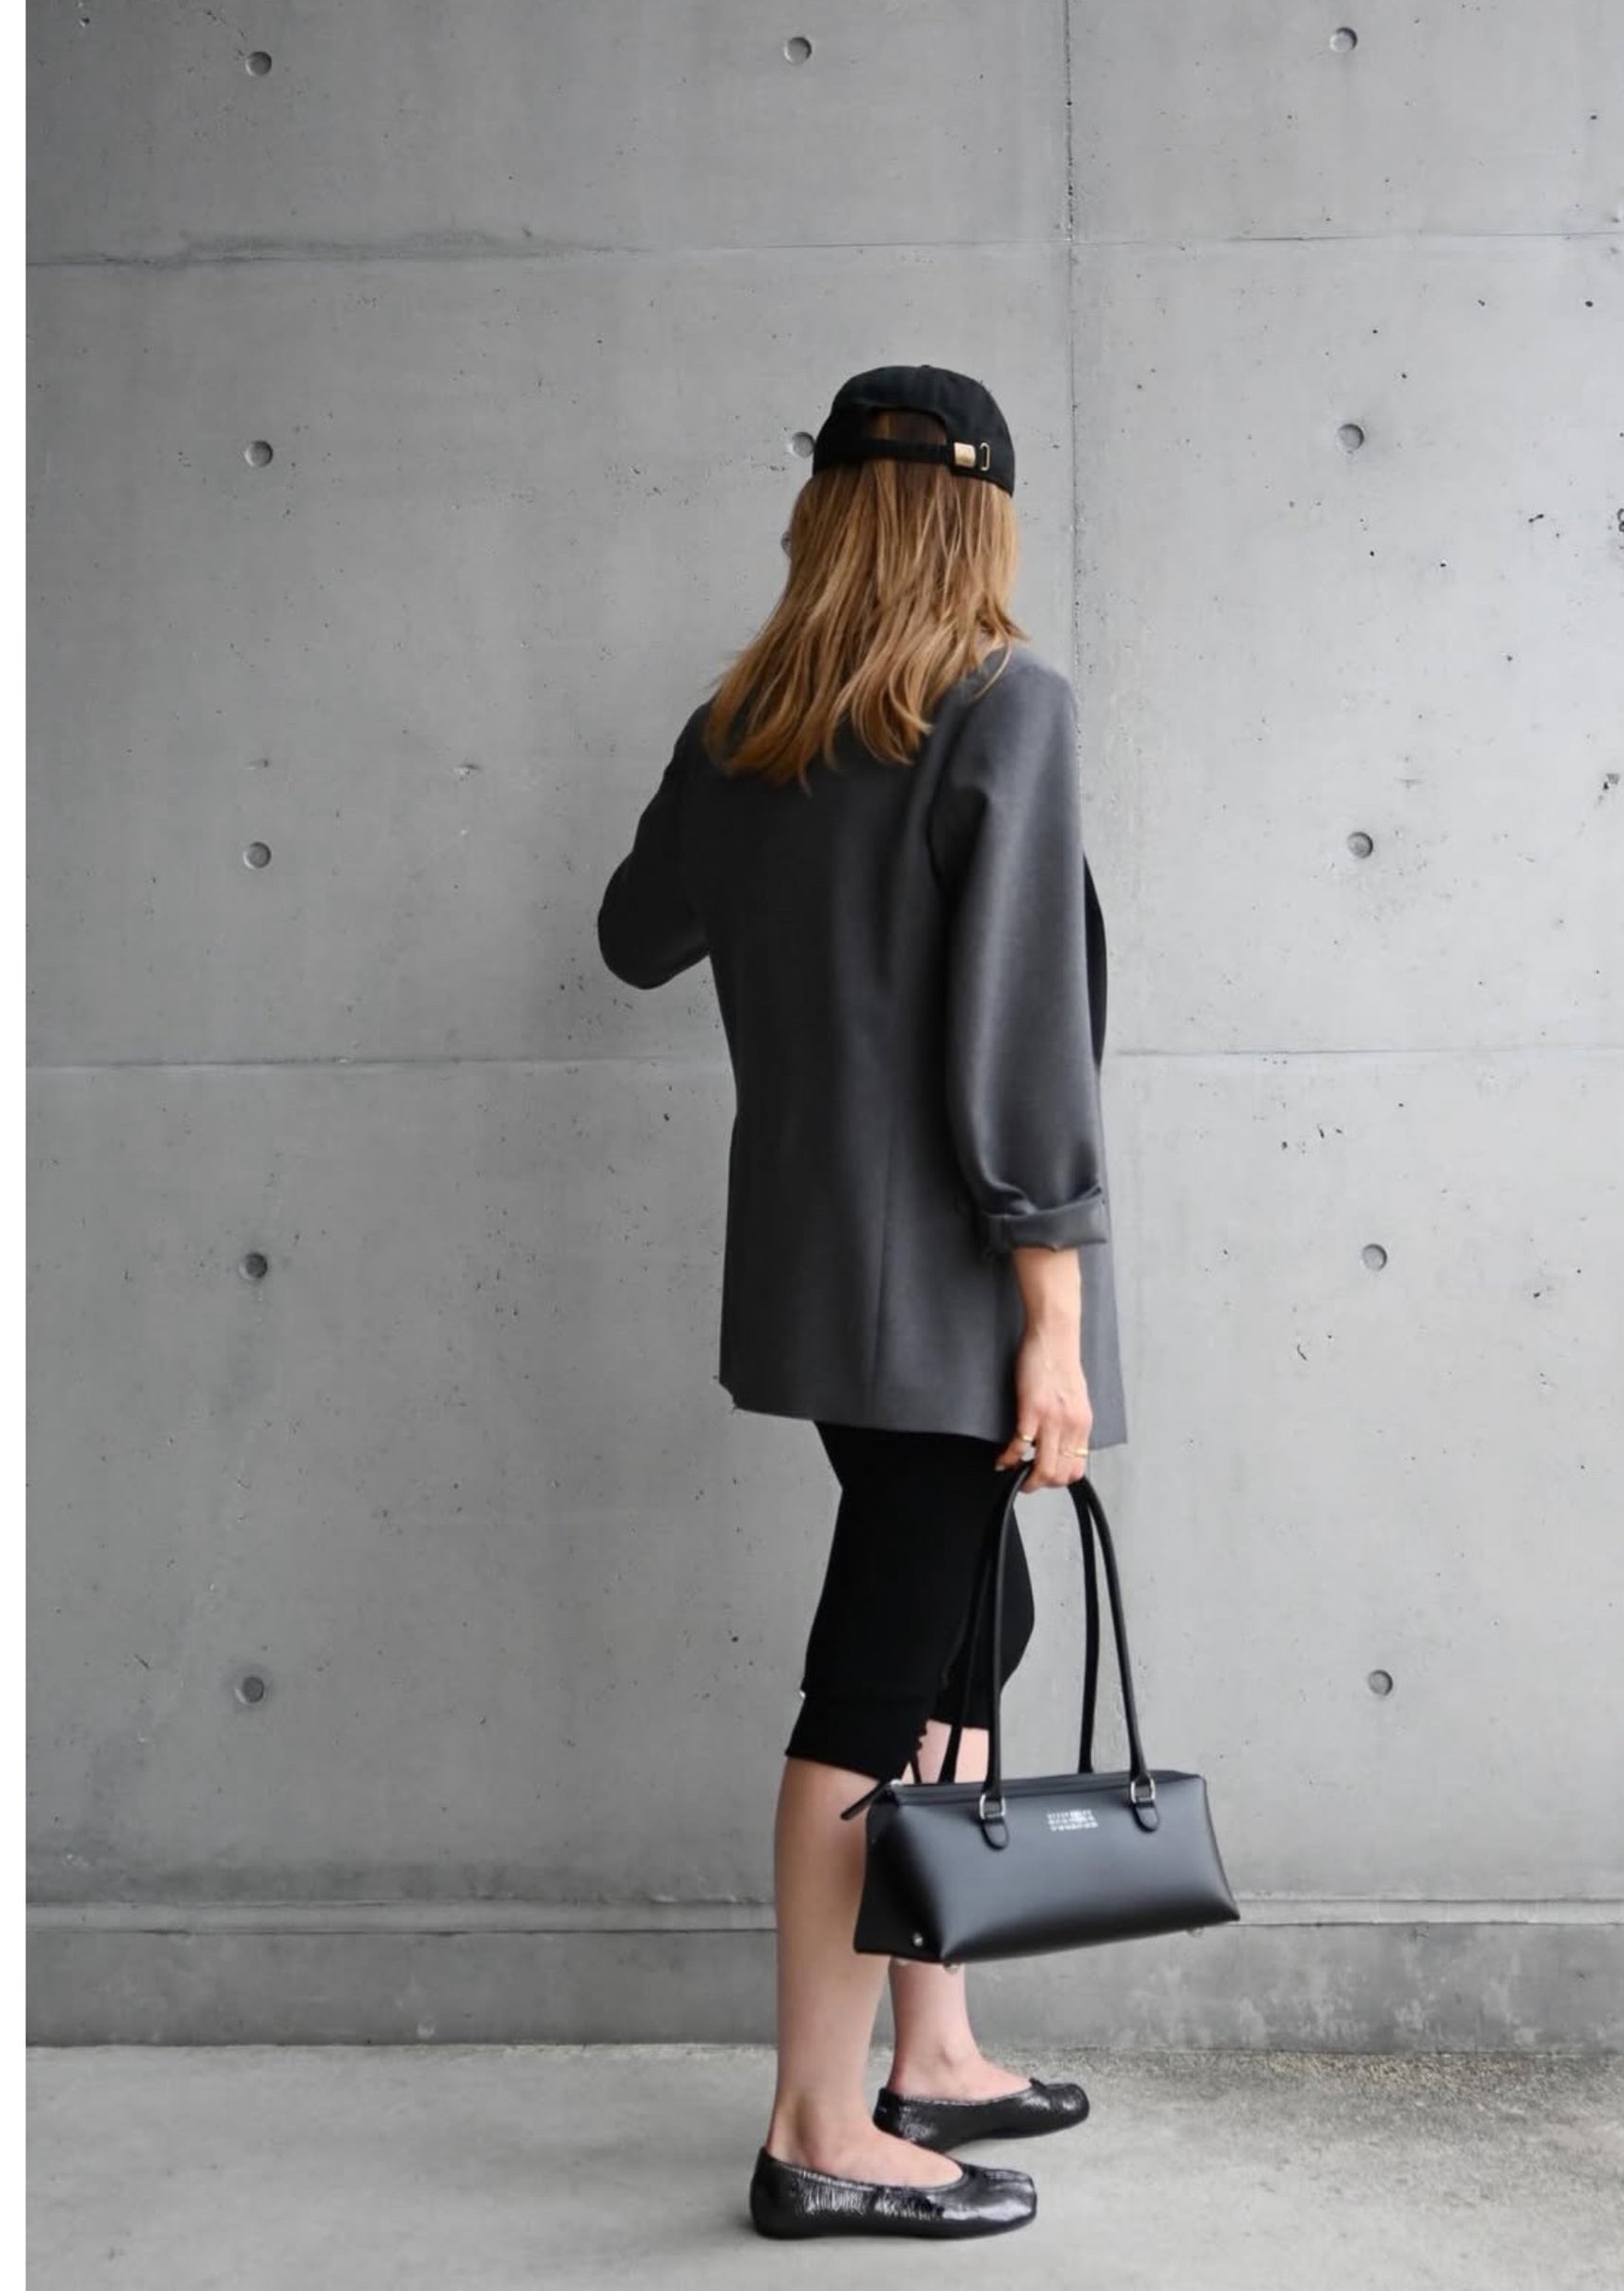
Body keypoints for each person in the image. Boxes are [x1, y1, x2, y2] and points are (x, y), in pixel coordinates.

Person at [596, 364, 1127, 2242]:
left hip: (816, 1268)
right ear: (986, 519)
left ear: (820, 513)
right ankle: (819, 2122)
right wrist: (1052, 1317)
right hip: (958, 1272)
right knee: (882, 1669)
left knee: (976, 1613)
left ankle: (935, 2043)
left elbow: (636, 933)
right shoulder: (1000, 703)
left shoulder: (746, 725)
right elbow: (1024, 1039)